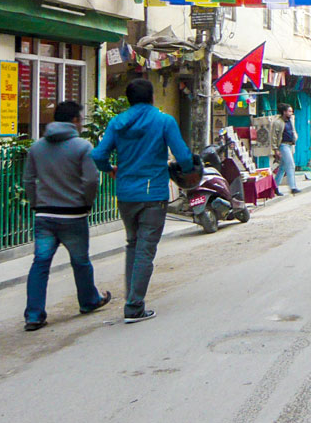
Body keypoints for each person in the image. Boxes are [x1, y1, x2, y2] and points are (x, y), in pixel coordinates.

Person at [91, 78, 194, 324]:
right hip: (153, 194)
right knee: (145, 250)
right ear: (151, 98)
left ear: (129, 99)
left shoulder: (117, 123)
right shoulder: (164, 121)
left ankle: (132, 299)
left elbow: (98, 155)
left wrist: (110, 168)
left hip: (126, 194)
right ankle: (134, 306)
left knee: (133, 245)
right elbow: (183, 157)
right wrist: (188, 169)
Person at [22, 101, 112, 331]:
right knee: (80, 261)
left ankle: (34, 315)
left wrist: (36, 204)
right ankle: (89, 300)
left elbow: (28, 180)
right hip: (73, 215)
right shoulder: (82, 147)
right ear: (74, 120)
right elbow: (91, 180)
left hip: (44, 215)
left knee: (40, 263)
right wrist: (86, 202)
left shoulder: (37, 147)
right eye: (80, 119)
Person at [272, 103, 300, 195]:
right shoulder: (277, 122)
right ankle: (293, 187)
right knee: (291, 165)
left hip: (290, 145)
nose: (291, 113)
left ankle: (274, 187)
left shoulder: (290, 120)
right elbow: (274, 137)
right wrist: (276, 149)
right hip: (283, 146)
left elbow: (293, 130)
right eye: (289, 111)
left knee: (282, 167)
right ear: (284, 112)